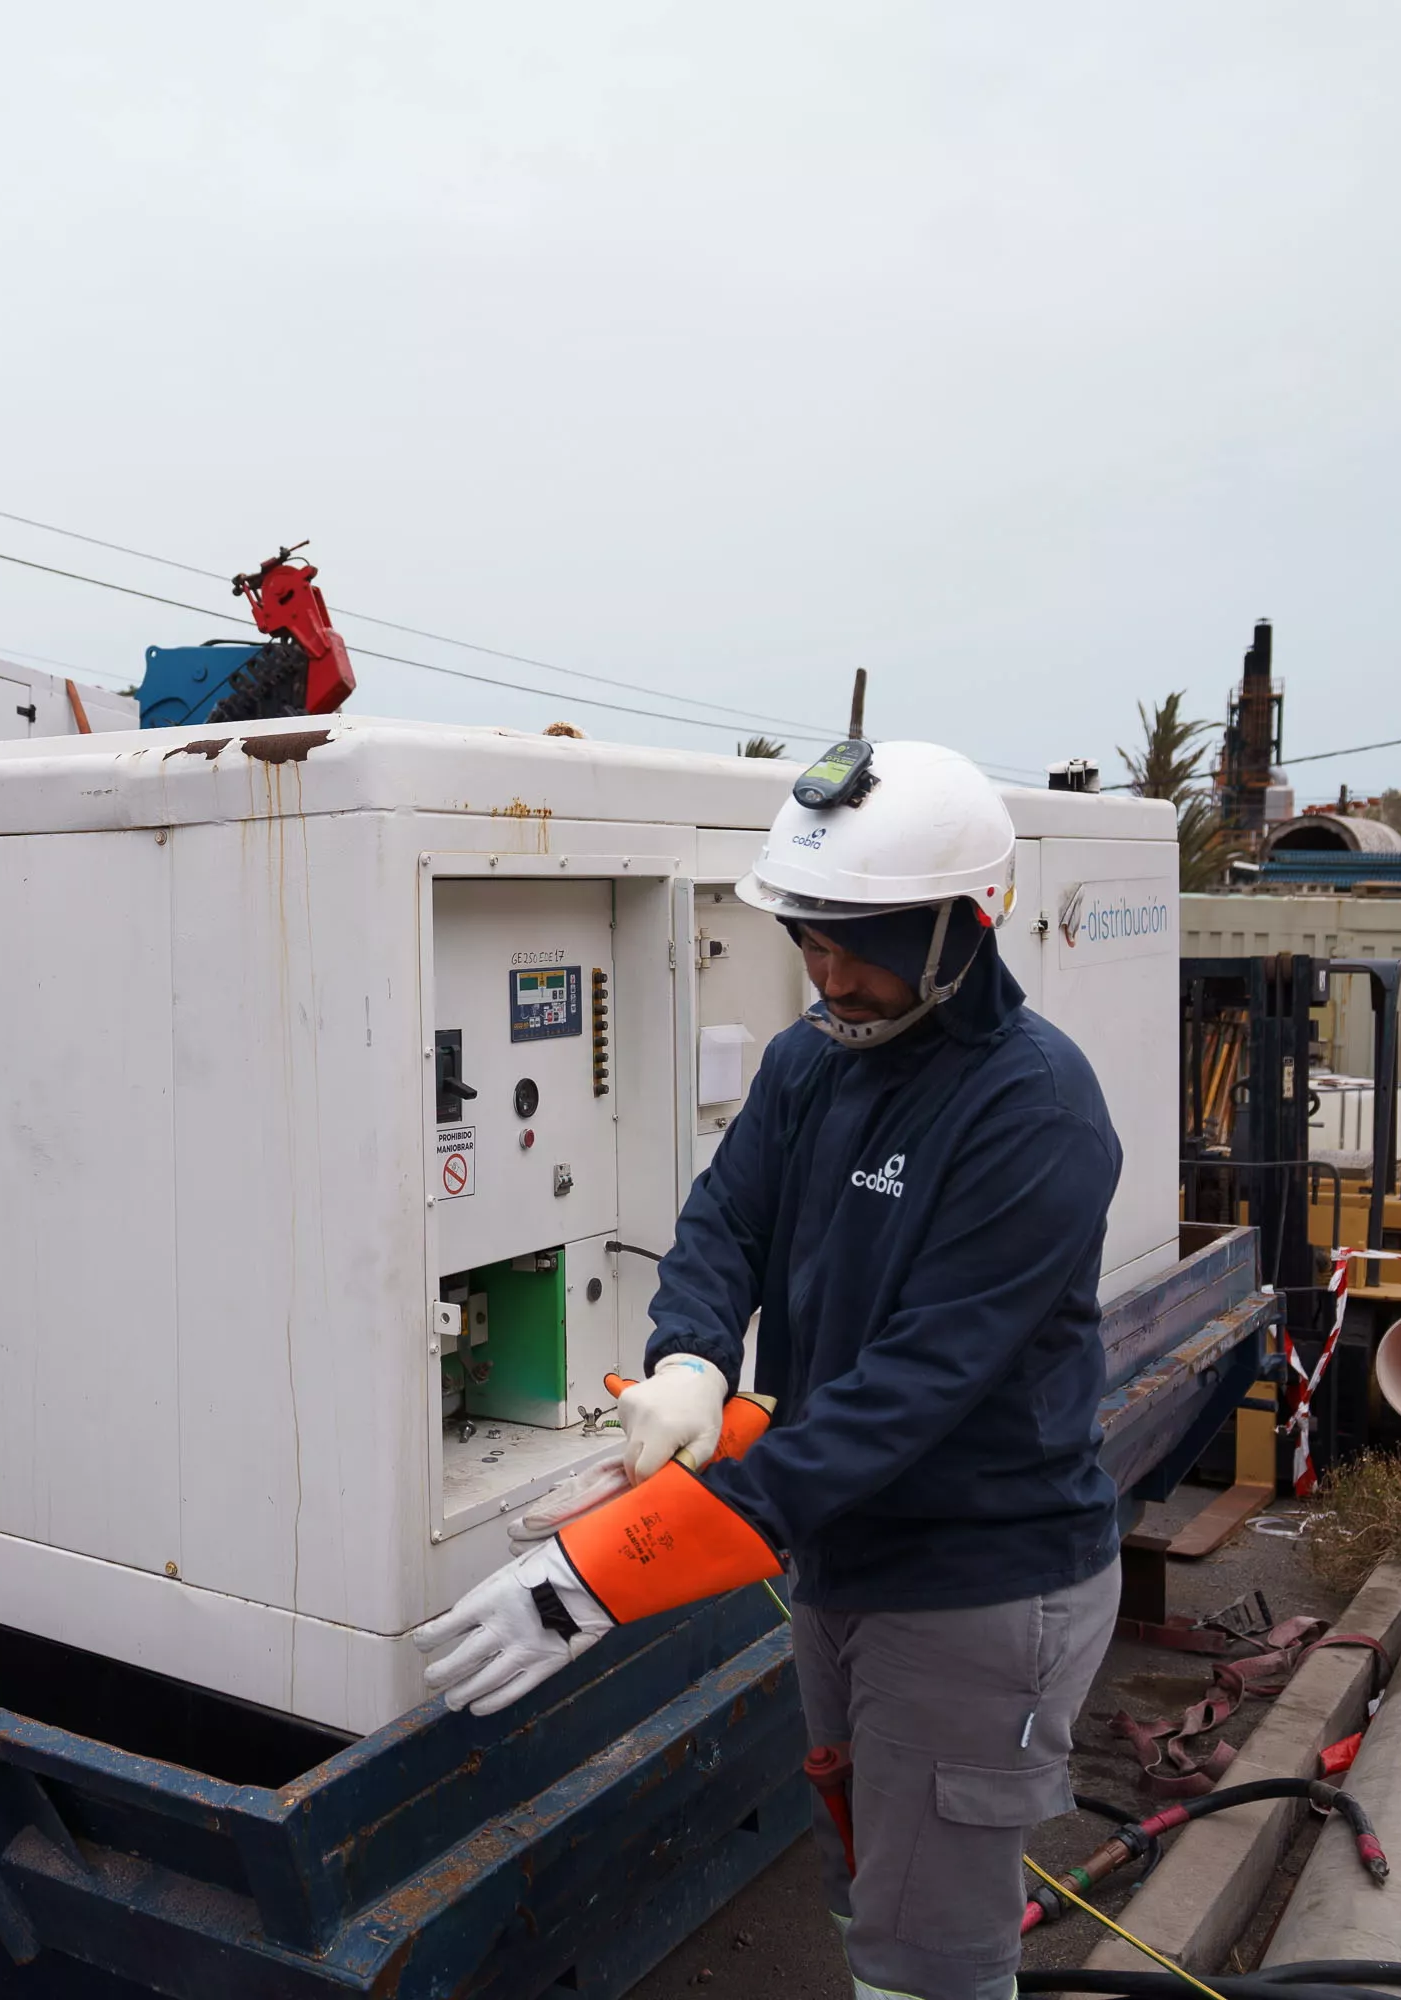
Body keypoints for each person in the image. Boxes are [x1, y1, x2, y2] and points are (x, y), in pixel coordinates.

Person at [413, 739, 1122, 2000]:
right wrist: (688, 1351)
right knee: (869, 1878)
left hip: (974, 1580)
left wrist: (601, 1576)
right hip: (840, 1553)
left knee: (933, 1942)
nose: (827, 969)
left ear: (963, 926)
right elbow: (724, 1222)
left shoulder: (1035, 1114)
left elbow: (907, 1395)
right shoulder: (817, 1058)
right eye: (809, 935)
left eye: (858, 940)